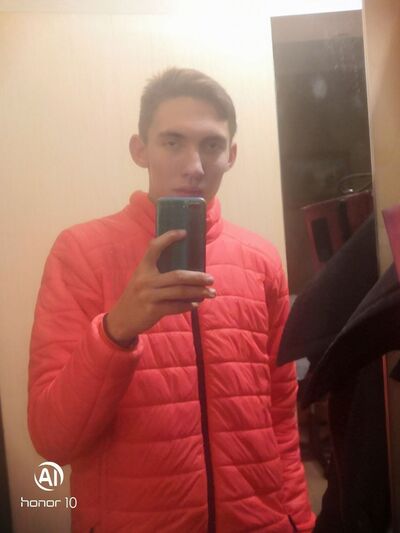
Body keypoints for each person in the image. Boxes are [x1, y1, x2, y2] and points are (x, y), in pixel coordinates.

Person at [28, 67, 315, 533]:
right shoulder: (80, 253)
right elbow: (53, 438)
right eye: (173, 142)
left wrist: (298, 520)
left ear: (232, 155)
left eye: (212, 145)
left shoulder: (262, 260)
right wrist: (116, 330)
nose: (195, 165)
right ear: (139, 149)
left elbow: (280, 412)